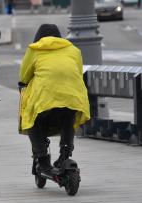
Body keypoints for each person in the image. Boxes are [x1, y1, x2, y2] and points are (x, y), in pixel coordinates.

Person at [19, 24, 90, 175]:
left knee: (31, 119)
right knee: (68, 116)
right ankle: (65, 154)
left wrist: (24, 83)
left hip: (46, 98)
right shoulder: (73, 50)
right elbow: (77, 71)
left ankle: (42, 160)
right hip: (74, 97)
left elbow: (24, 76)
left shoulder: (35, 49)